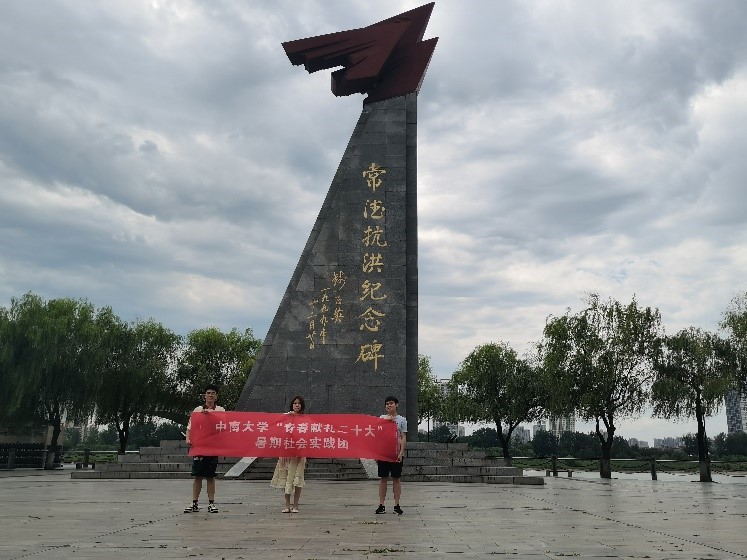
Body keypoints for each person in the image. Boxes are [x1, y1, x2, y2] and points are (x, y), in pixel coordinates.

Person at [184, 384, 225, 513]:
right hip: (199, 447)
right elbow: (190, 427)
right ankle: (194, 502)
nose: (210, 395)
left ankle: (211, 503)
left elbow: (223, 425)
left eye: (213, 393)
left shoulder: (220, 410)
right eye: (208, 393)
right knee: (197, 475)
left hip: (212, 447)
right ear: (204, 396)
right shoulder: (197, 410)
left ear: (216, 396)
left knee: (210, 476)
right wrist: (188, 438)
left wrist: (210, 415)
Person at [270, 395, 307, 513]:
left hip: (299, 453)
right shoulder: (285, 417)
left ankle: (295, 505)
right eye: (295, 403)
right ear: (292, 405)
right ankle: (287, 505)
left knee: (297, 480)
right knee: (286, 478)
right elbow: (275, 427)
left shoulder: (305, 419)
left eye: (299, 403)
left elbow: (307, 435)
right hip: (286, 452)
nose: (297, 405)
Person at [375, 395, 407, 515]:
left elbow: (403, 437)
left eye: (391, 403)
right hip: (384, 453)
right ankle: (381, 505)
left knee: (396, 478)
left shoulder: (402, 420)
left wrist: (401, 452)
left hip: (396, 453)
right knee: (383, 478)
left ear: (396, 405)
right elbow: (378, 435)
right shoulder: (381, 418)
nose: (389, 405)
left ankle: (396, 505)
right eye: (387, 404)